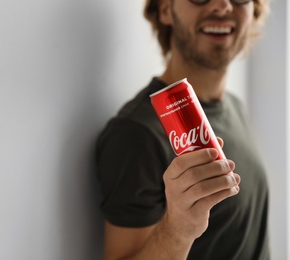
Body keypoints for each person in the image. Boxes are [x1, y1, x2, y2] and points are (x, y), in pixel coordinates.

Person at [96, 0, 270, 259]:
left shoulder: (234, 106)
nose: (223, 6)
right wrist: (178, 230)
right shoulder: (137, 133)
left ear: (253, 11)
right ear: (165, 9)